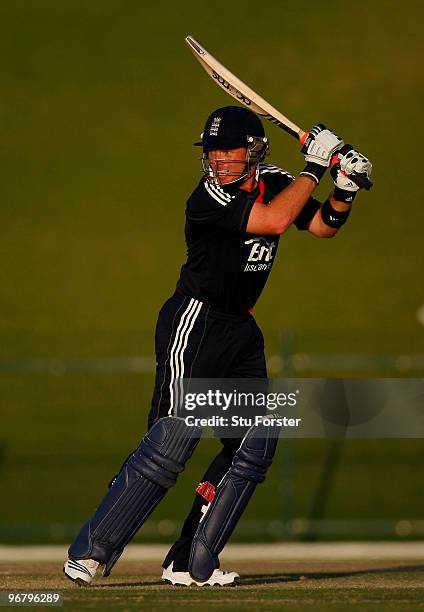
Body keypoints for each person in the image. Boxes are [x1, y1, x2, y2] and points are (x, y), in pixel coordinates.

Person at [63, 106, 372, 587]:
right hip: (195, 320)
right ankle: (91, 551)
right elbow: (272, 222)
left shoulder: (273, 178)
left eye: (229, 151)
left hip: (240, 330)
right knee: (173, 438)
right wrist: (315, 165)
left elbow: (321, 226)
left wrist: (346, 185)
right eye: (212, 153)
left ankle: (189, 560)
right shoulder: (206, 196)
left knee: (256, 438)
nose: (219, 160)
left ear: (254, 151)